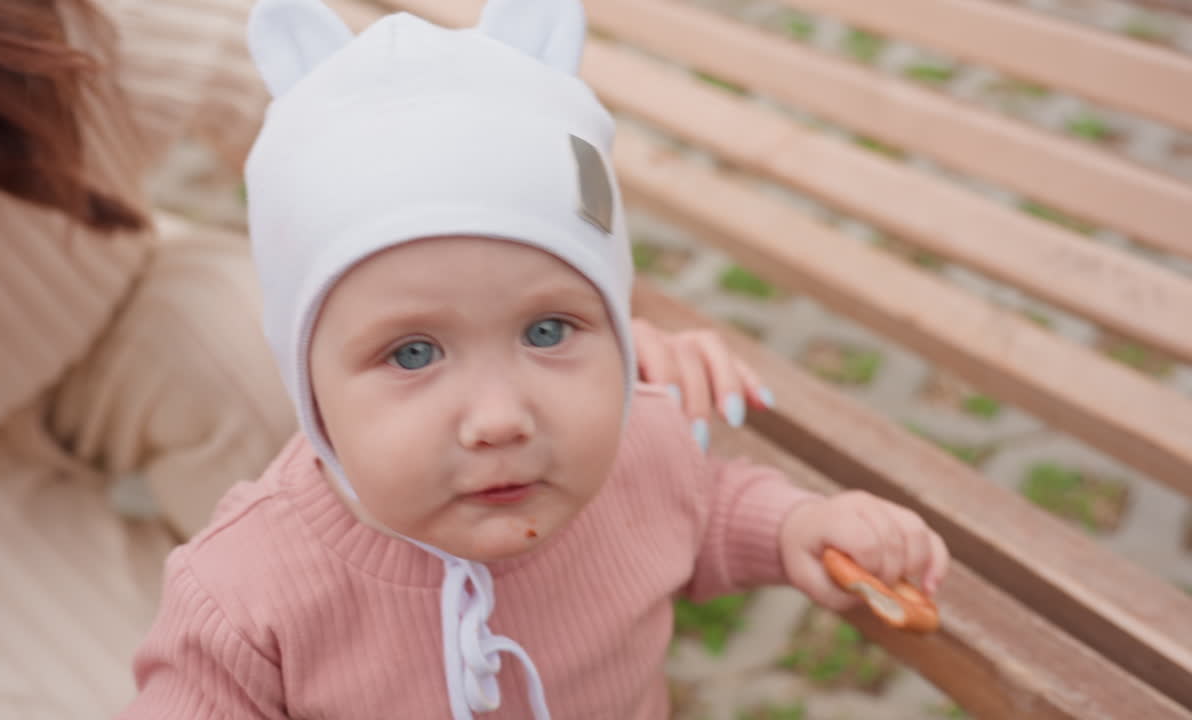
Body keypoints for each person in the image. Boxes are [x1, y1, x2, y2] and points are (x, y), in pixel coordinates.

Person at [0, 0, 774, 717]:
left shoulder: (80, 35)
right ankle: (249, 631)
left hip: (124, 315)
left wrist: (596, 325)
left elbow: (397, 139)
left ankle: (459, 640)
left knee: (362, 398)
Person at [118, 0, 950, 717]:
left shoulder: (639, 455)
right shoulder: (244, 593)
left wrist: (800, 525)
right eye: (413, 353)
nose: (499, 418)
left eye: (548, 332)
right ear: (309, 384)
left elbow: (707, 507)